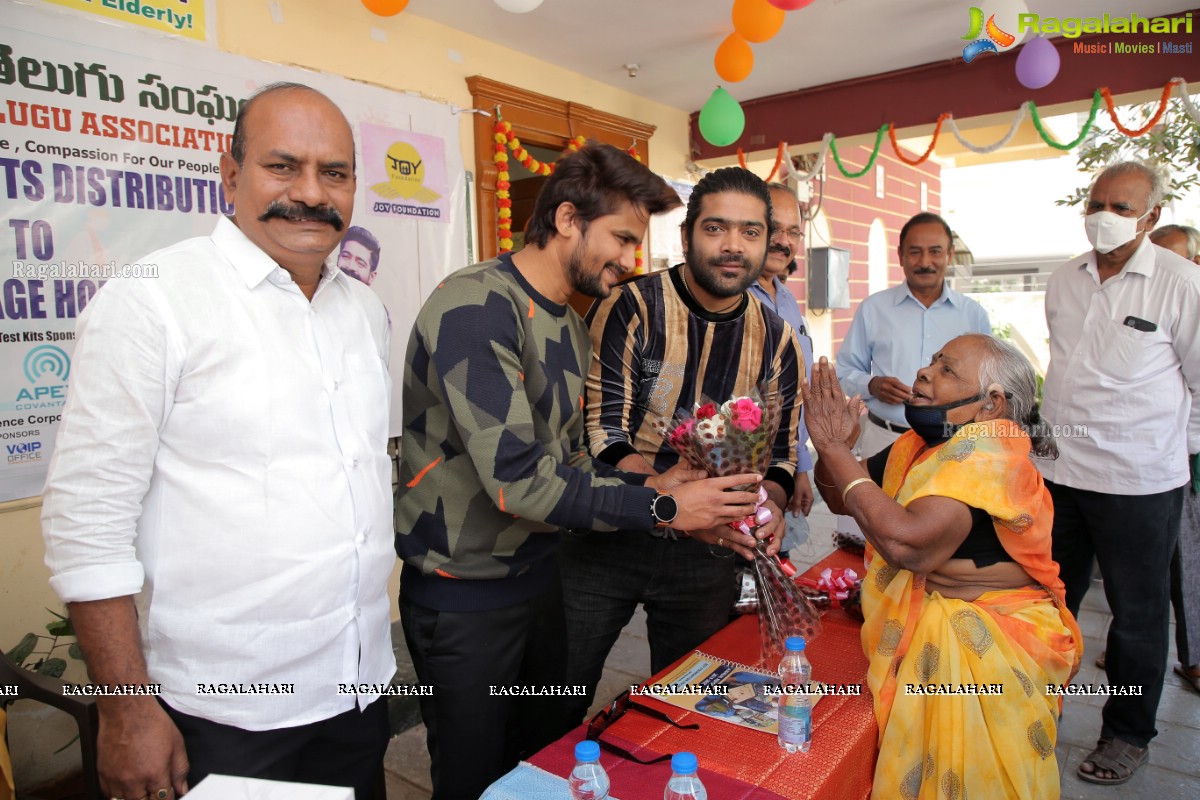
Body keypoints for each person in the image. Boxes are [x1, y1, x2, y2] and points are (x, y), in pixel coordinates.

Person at [41, 83, 394, 799]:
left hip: (355, 690)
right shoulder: (153, 301)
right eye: (282, 166)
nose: (309, 193)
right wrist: (128, 710)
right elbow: (88, 525)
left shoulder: (363, 311)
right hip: (224, 712)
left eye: (334, 173)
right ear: (230, 175)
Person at [394, 144, 766, 800]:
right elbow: (518, 483)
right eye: (621, 238)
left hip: (540, 581)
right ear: (568, 219)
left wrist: (657, 483)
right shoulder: (475, 309)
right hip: (464, 597)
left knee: (541, 761)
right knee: (474, 776)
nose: (629, 261)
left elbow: (565, 462)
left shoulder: (569, 321)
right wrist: (665, 511)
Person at [558, 166, 802, 726]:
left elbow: (783, 453)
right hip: (607, 533)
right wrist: (668, 500)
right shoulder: (630, 305)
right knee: (556, 696)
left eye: (750, 231)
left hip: (708, 552)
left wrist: (768, 508)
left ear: (768, 241)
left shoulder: (778, 339)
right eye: (715, 228)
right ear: (688, 233)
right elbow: (600, 432)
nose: (732, 246)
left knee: (689, 707)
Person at [806, 334, 1081, 800]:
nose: (924, 373)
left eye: (947, 370)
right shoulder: (917, 444)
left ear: (991, 404)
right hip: (943, 626)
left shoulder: (986, 451)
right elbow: (840, 496)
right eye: (931, 361)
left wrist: (834, 452)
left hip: (990, 643)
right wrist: (841, 452)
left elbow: (908, 546)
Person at [1040, 161, 1200, 784]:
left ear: (1152, 217)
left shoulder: (1181, 284)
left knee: (1136, 616)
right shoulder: (1064, 279)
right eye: (1096, 201)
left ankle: (1127, 733)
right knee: (1050, 601)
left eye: (1122, 207)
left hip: (1140, 483)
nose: (1104, 215)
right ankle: (1037, 705)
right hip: (1059, 472)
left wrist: (1168, 455)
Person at [837, 212, 991, 459]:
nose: (925, 261)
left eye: (935, 251)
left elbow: (988, 382)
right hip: (884, 441)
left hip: (953, 446)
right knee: (875, 499)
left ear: (950, 255)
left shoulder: (973, 315)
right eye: (915, 251)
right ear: (900, 255)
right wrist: (872, 385)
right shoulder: (873, 308)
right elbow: (844, 369)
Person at [749, 182, 815, 548]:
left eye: (793, 232)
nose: (783, 241)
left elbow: (794, 394)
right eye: (774, 228)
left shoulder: (787, 298)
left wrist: (799, 468)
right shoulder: (727, 298)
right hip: (731, 473)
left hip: (782, 469)